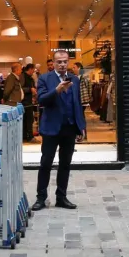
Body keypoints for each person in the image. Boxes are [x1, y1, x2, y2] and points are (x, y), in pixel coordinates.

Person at [32, 50, 86, 211]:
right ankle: (41, 198)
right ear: (53, 63)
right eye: (59, 62)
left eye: (64, 61)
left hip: (69, 127)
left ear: (68, 62)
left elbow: (77, 104)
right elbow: (41, 100)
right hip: (51, 128)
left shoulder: (75, 80)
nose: (62, 64)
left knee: (65, 164)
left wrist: (81, 126)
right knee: (45, 163)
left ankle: (61, 197)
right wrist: (57, 90)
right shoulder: (44, 79)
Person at [72, 61, 91, 141]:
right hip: (78, 100)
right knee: (79, 116)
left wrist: (89, 98)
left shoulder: (84, 76)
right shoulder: (75, 77)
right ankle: (81, 134)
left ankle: (82, 134)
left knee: (80, 116)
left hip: (83, 100)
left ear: (79, 68)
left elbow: (89, 87)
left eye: (74, 67)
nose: (73, 69)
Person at [21, 64, 37, 142]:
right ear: (30, 69)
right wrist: (30, 90)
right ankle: (28, 137)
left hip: (29, 102)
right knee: (26, 120)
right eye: (33, 70)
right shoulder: (23, 77)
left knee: (29, 120)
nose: (34, 72)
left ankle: (28, 136)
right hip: (24, 103)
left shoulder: (30, 78)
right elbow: (20, 89)